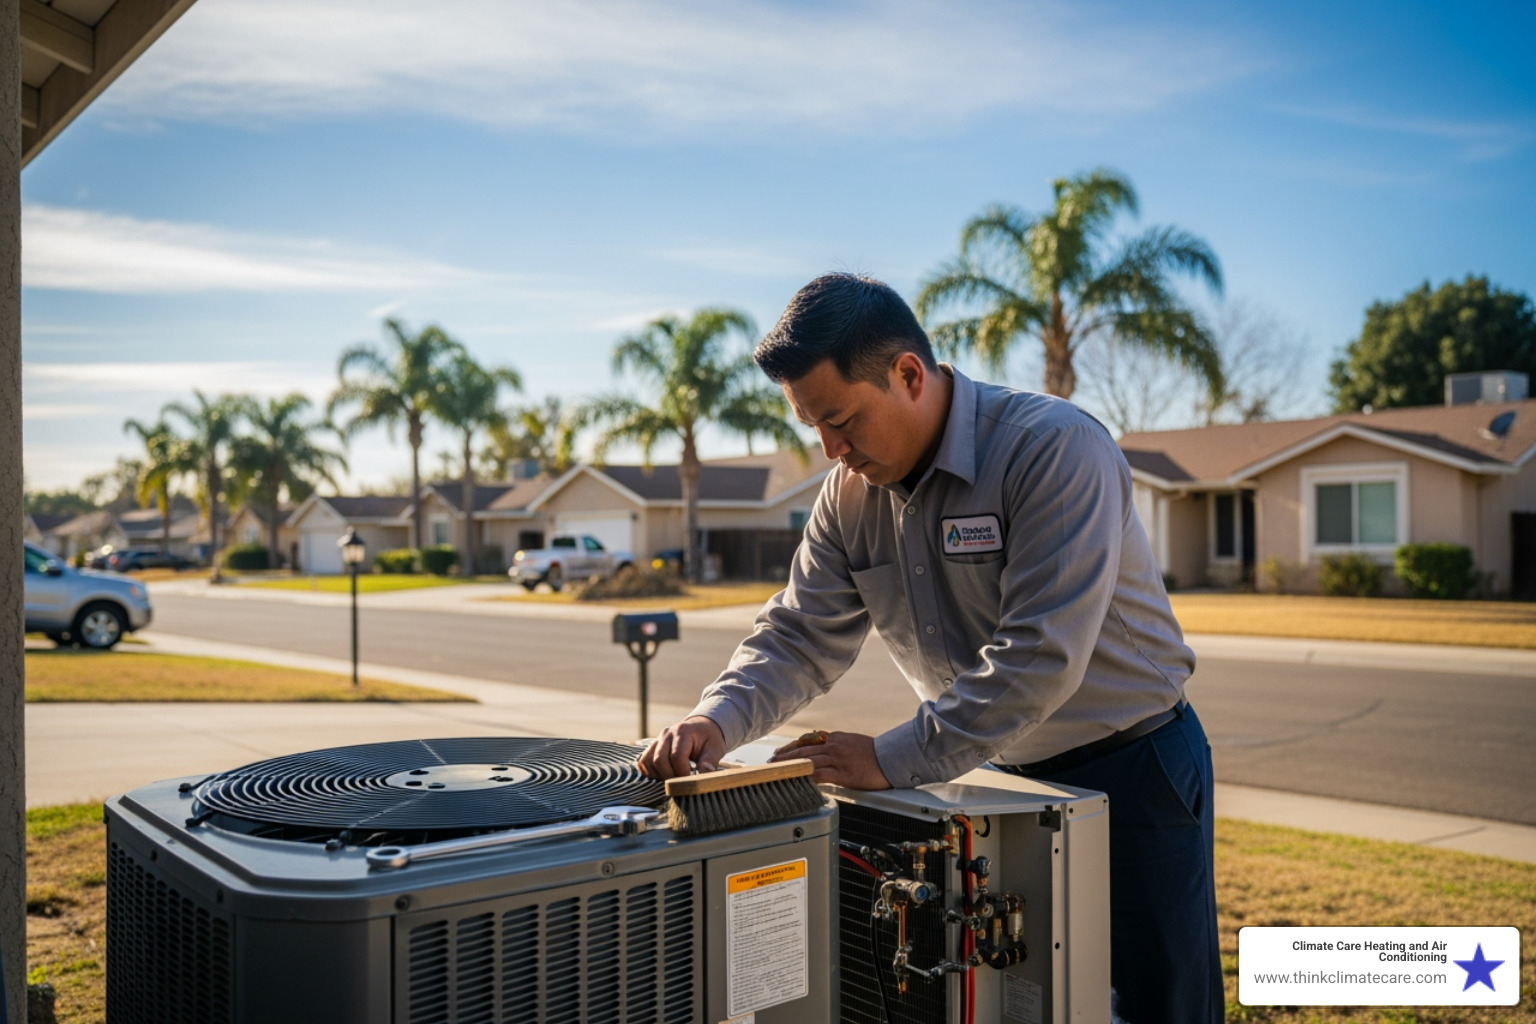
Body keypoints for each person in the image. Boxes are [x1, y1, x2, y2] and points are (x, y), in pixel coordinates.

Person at [638, 272, 1220, 1024]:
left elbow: (1039, 652)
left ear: (909, 374)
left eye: (841, 420)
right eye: (813, 427)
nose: (830, 451)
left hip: (1133, 770)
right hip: (988, 778)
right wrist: (716, 719)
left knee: (1157, 1004)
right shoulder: (847, 495)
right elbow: (799, 632)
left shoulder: (1054, 449)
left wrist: (889, 757)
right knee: (1019, 1001)